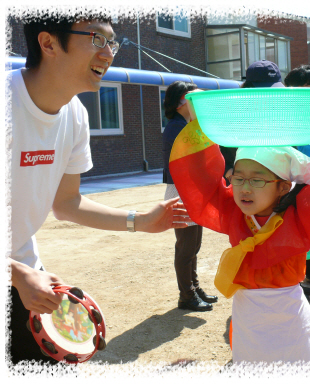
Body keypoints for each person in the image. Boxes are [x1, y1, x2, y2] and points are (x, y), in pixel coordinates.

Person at [7, 14, 189, 366]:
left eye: (112, 43)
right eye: (96, 39)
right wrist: (15, 273)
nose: (108, 53)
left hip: (27, 275)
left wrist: (141, 221)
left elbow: (67, 203)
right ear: (48, 43)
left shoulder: (75, 114)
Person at [169, 85, 310, 364]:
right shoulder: (233, 212)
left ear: (283, 186)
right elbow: (202, 179)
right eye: (238, 178)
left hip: (289, 314)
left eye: (257, 179)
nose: (244, 188)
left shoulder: (300, 216)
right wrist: (199, 126)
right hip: (248, 315)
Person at [162, 81, 218, 311]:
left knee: (194, 244)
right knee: (186, 246)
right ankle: (186, 295)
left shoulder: (185, 124)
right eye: (189, 98)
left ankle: (193, 288)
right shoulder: (177, 127)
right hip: (181, 191)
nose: (194, 102)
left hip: (191, 191)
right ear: (178, 104)